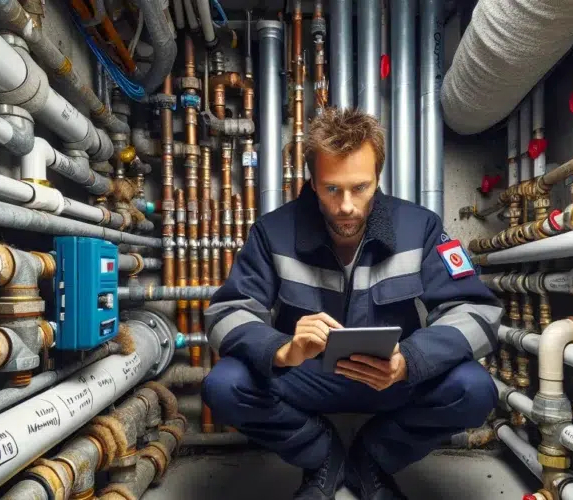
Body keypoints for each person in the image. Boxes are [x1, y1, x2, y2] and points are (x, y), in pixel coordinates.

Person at [202, 108, 503, 500]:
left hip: (392, 378)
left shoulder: (421, 227)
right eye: (332, 189)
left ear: (378, 178)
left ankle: (373, 457)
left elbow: (477, 311)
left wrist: (409, 360)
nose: (346, 205)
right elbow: (226, 312)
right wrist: (283, 349)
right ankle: (321, 455)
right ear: (313, 181)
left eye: (360, 188)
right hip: (307, 378)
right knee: (223, 385)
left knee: (475, 389)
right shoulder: (272, 232)